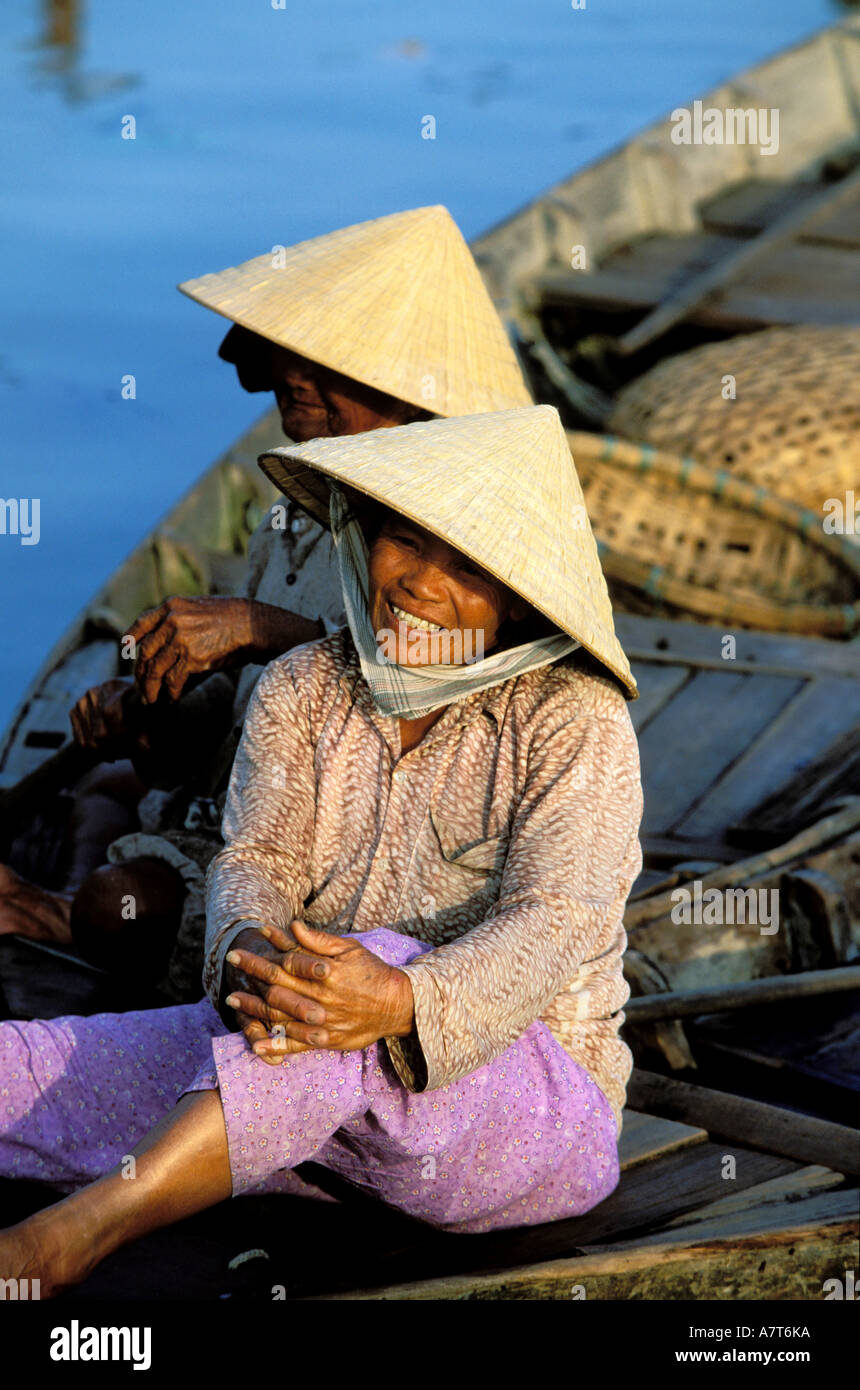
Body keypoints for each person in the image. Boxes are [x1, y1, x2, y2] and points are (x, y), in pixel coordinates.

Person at [0, 405, 641, 1296]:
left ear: (521, 601)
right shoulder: (304, 684)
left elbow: (557, 916)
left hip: (530, 1114)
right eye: (404, 543)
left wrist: (398, 997)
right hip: (303, 1082)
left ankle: (63, 1241)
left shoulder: (573, 720)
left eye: (468, 568)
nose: (419, 584)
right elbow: (256, 863)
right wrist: (249, 953)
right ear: (363, 539)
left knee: (350, 983)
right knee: (25, 1068)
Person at [0, 205, 532, 992]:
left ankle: (56, 915)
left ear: (409, 393)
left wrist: (254, 627)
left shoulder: (457, 539)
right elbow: (237, 715)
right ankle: (81, 907)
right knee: (109, 790)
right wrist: (149, 713)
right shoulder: (294, 514)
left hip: (358, 844)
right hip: (250, 799)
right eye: (289, 366)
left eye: (328, 370)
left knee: (125, 903)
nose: (294, 385)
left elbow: (426, 691)